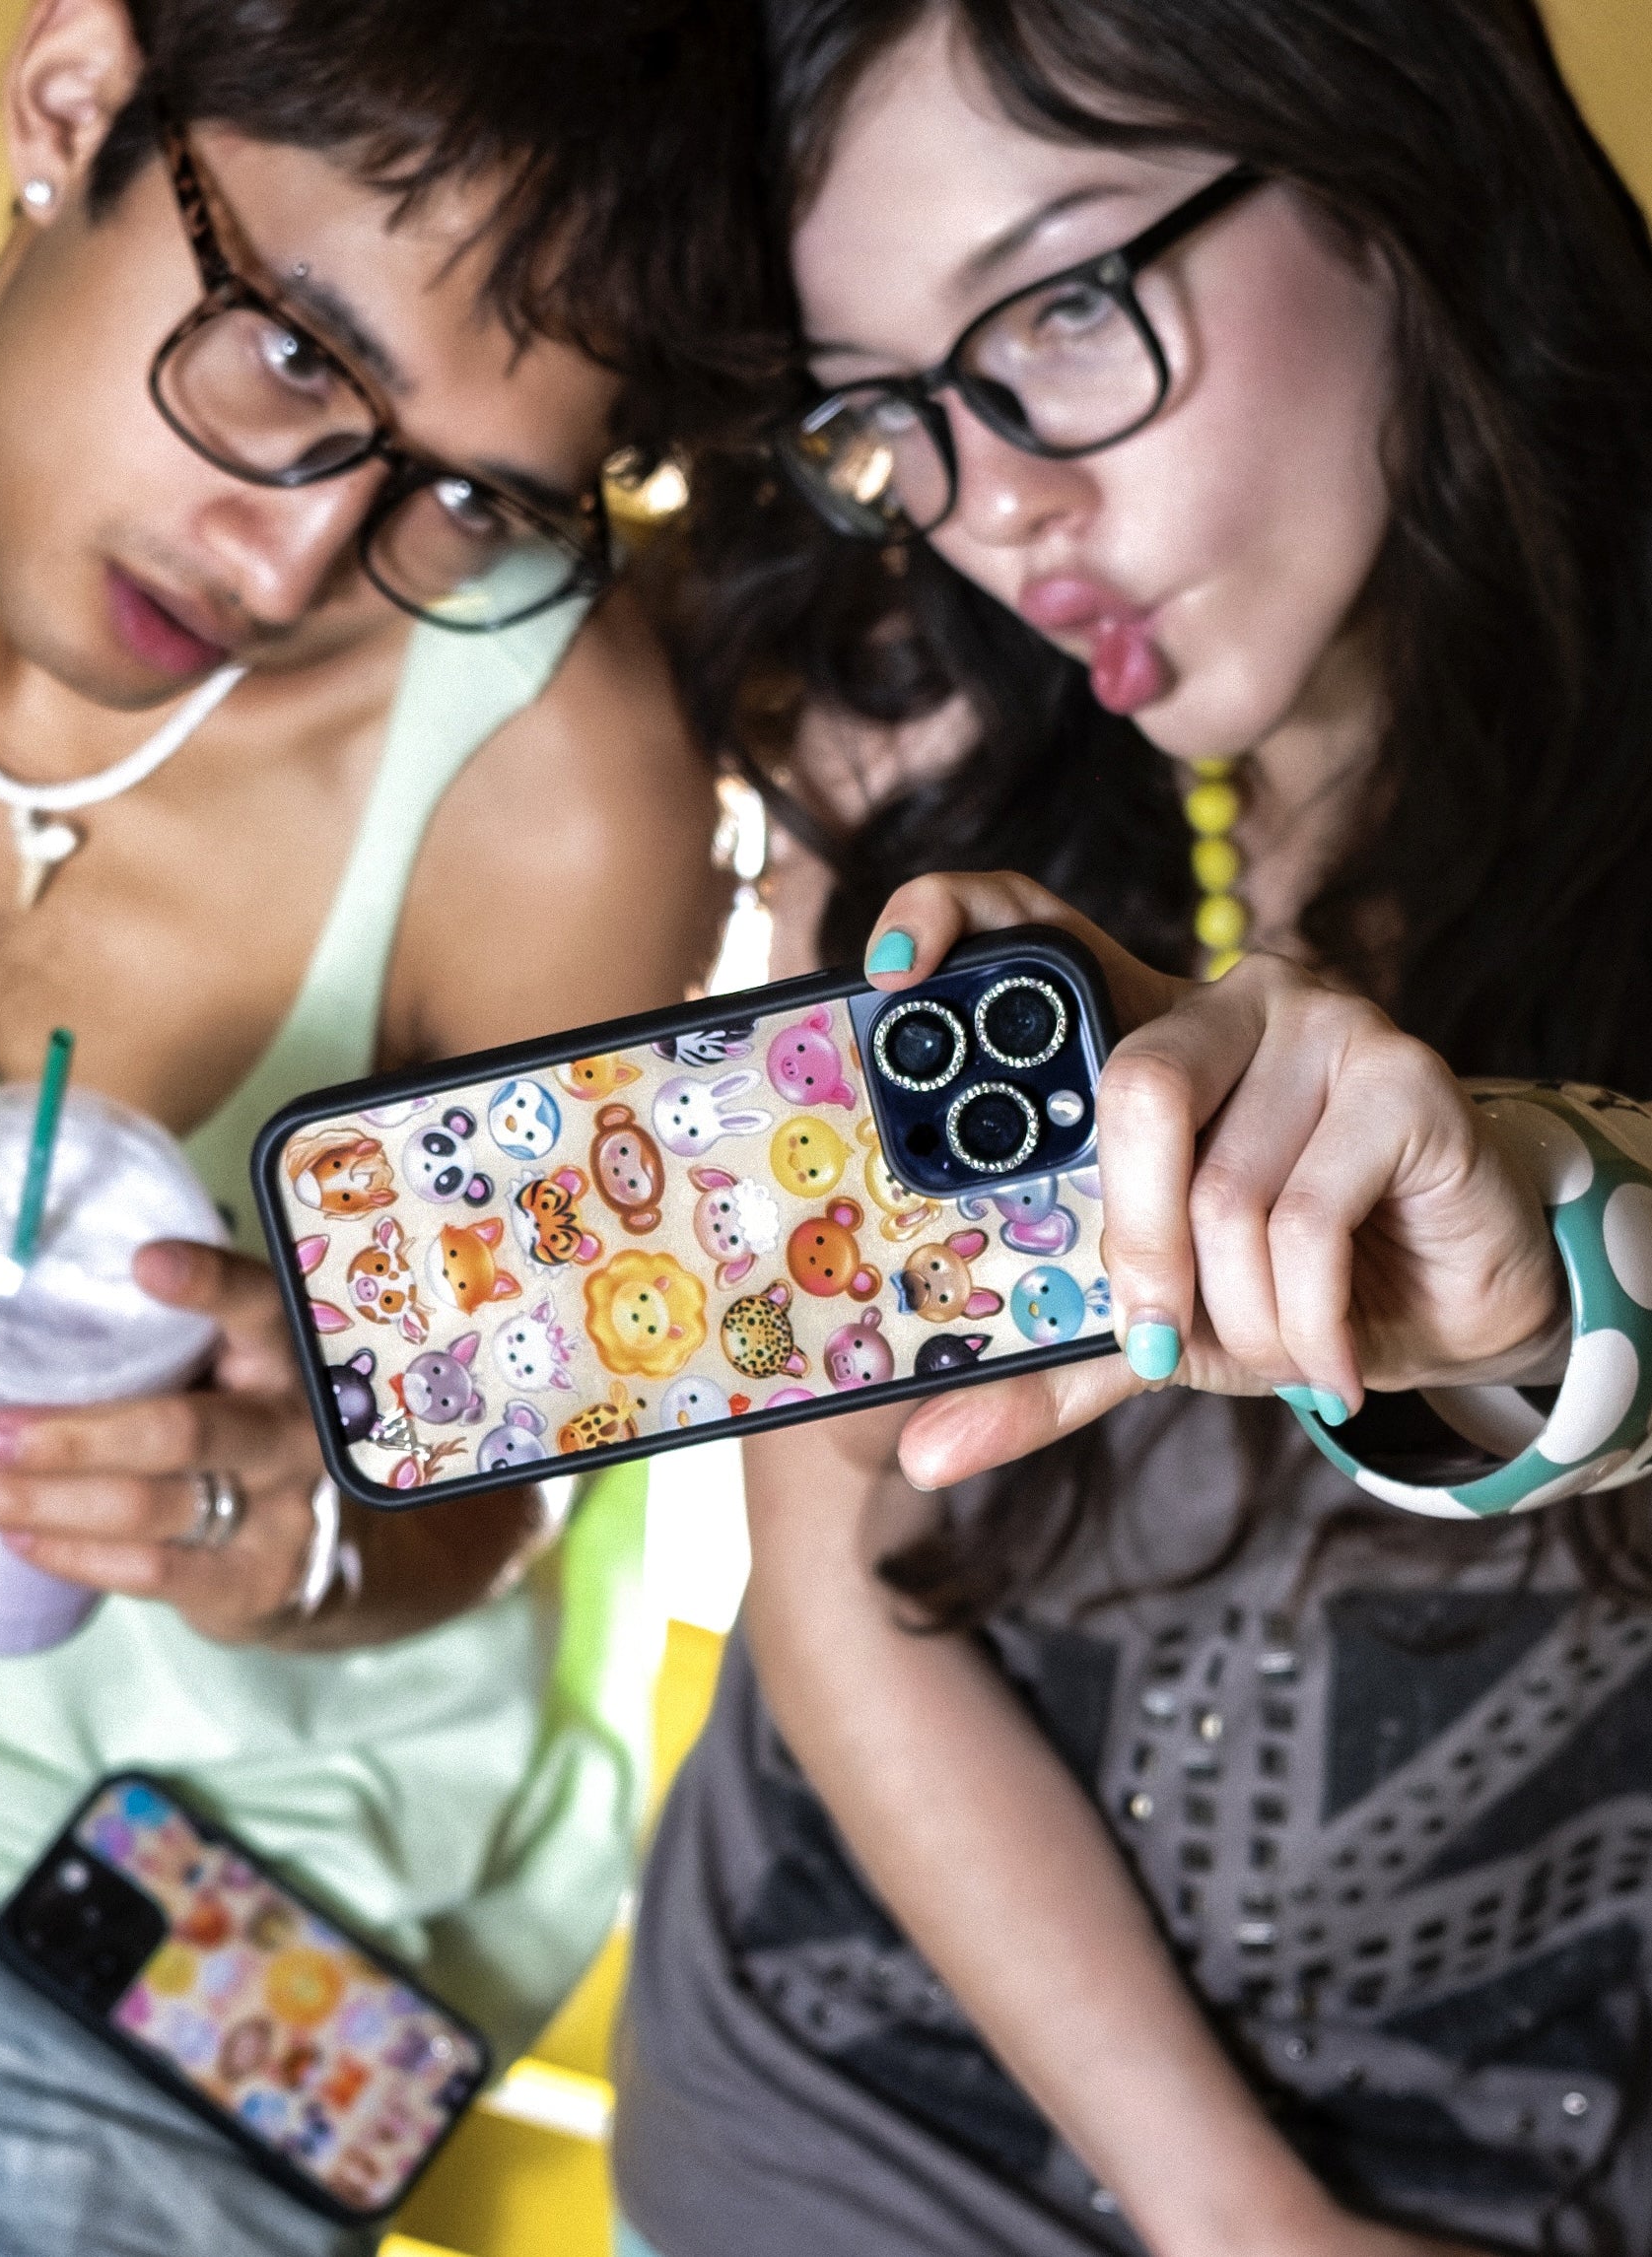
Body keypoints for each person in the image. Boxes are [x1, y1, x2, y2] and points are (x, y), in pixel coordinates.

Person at [612, 2, 1652, 2253]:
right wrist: (1234, 2219)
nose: (992, 507)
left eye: (1062, 307)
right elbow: (843, 1588)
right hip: (835, 2109)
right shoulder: (911, 751)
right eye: (889, 409)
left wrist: (1551, 1254)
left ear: (1392, 153)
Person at [0, 0, 767, 2250]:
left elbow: (512, 1492)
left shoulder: (565, 782)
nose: (286, 567)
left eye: (467, 495)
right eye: (289, 359)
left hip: (186, 1918)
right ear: (71, 102)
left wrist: (319, 1519)